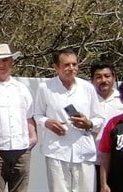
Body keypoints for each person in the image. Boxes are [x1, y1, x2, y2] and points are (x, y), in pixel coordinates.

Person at [33, 48, 104, 192]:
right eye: (66, 65)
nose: (71, 68)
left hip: (83, 150)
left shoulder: (87, 88)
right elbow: (37, 115)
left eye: (74, 64)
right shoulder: (45, 88)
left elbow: (100, 118)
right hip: (57, 150)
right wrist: (48, 123)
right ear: (56, 67)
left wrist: (89, 123)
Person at [0, 44, 37, 192]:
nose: (2, 64)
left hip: (21, 150)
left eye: (5, 60)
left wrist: (32, 138)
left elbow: (29, 117)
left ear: (12, 62)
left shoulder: (22, 89)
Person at [89, 62, 123, 192]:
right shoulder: (86, 100)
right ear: (92, 80)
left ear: (114, 77)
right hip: (91, 161)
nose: (103, 80)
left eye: (107, 76)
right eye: (98, 77)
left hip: (118, 161)